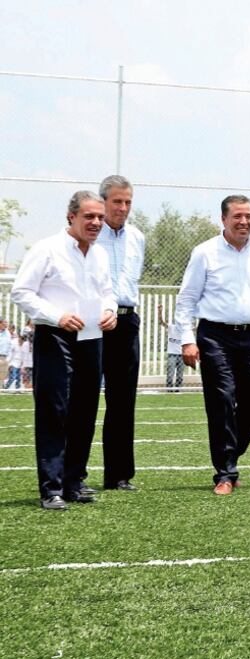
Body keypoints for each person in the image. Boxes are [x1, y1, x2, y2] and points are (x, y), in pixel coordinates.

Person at [173, 194, 250, 496]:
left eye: (248, 216)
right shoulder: (205, 253)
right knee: (222, 399)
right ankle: (225, 472)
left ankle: (230, 455)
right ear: (223, 219)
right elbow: (186, 299)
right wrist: (186, 339)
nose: (244, 222)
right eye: (237, 216)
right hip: (214, 337)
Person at [11, 191, 117, 509]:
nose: (96, 222)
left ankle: (74, 482)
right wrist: (57, 316)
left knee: (85, 408)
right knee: (54, 410)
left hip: (91, 335)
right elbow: (21, 291)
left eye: (100, 217)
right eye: (89, 216)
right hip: (55, 335)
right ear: (71, 217)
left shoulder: (100, 255)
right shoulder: (48, 249)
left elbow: (107, 292)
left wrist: (110, 311)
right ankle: (51, 488)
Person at [95, 175, 145, 492]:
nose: (123, 208)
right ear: (103, 202)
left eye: (127, 202)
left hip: (127, 323)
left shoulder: (137, 238)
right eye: (117, 201)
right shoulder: (89, 234)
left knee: (123, 402)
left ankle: (118, 475)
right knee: (81, 400)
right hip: (94, 322)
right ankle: (73, 476)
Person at [157, 303, 185, 392]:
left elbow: (195, 329)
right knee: (170, 374)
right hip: (172, 354)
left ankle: (177, 391)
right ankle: (169, 390)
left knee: (180, 376)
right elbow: (161, 322)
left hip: (181, 355)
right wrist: (160, 312)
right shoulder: (171, 327)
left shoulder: (185, 330)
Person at [0, 318, 10, 385]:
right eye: (4, 323)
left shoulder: (7, 333)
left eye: (6, 323)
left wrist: (8, 358)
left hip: (4, 357)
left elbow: (10, 345)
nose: (6, 324)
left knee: (2, 376)